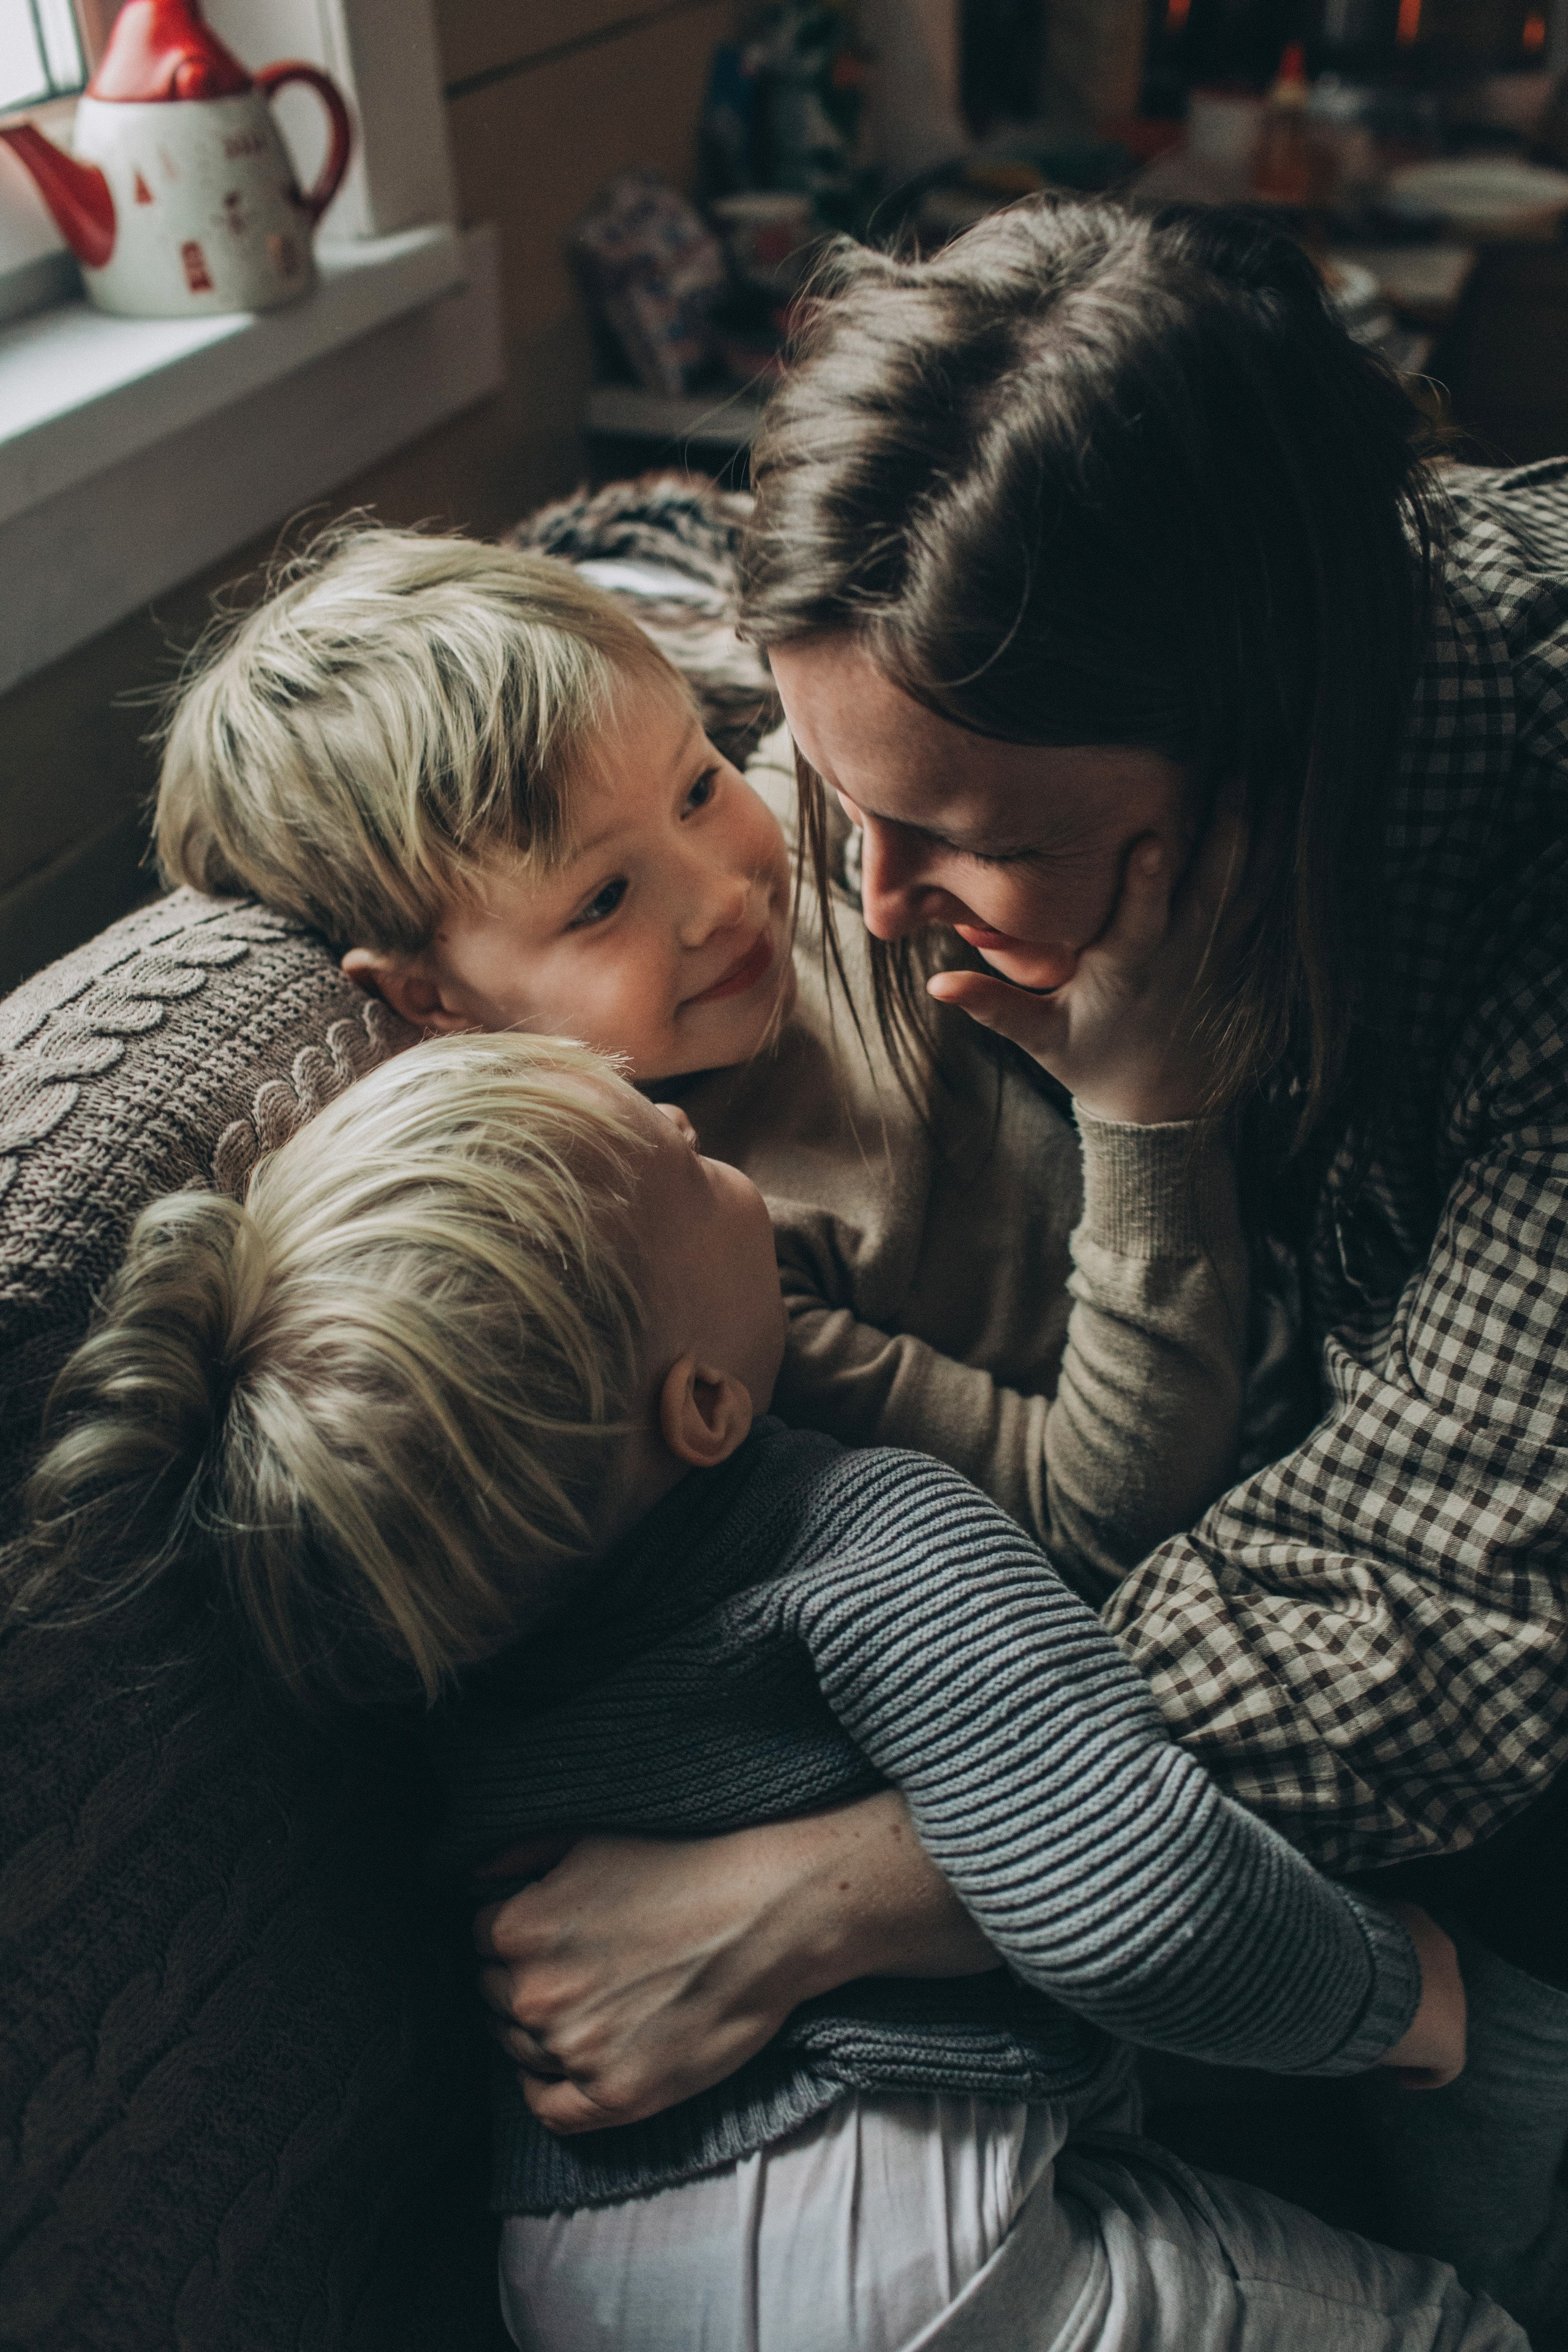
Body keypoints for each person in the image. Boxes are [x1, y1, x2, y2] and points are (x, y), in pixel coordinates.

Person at [467, 198, 1568, 2338]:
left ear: (1278, 757)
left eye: (968, 842)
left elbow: (1431, 1617)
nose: (868, 914)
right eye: (829, 798)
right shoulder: (973, 701)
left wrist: (826, 1893)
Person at [17, 1032, 1517, 2351]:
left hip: (573, 2280)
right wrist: (1399, 2001)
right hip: (892, 2261)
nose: (694, 1128)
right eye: (679, 1163)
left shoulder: (454, 1630)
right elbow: (1139, 1900)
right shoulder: (864, 1531)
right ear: (708, 1403)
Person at [153, 524, 1254, 1598]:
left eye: (695, 786)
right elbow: (1092, 1520)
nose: (723, 895)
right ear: (431, 1000)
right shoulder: (700, 1246)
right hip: (1246, 1454)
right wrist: (1144, 1115)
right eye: (604, 899)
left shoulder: (815, 828)